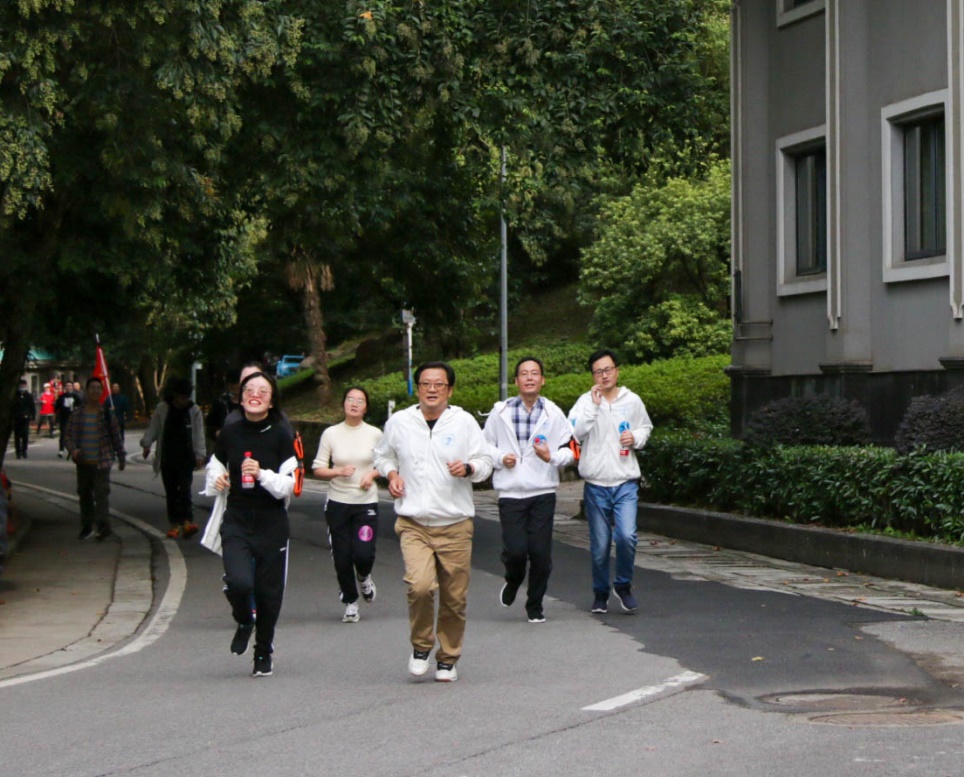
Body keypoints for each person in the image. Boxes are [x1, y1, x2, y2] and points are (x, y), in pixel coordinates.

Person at [373, 361, 492, 683]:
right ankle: (421, 645)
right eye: (426, 383)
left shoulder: (463, 422)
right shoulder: (400, 422)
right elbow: (382, 455)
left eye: (439, 384)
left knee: (454, 598)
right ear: (417, 388)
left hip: (455, 523)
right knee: (420, 586)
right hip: (414, 522)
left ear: (449, 390)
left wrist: (468, 468)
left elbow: (485, 461)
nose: (432, 390)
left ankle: (448, 658)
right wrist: (392, 474)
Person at [206, 370, 296, 678]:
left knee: (269, 593)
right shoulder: (230, 431)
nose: (255, 394)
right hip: (237, 519)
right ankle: (244, 619)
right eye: (249, 390)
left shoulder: (282, 434)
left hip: (272, 522)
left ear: (271, 401)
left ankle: (263, 651)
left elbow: (290, 485)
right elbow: (215, 465)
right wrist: (217, 478)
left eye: (262, 391)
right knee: (239, 582)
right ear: (241, 397)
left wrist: (261, 474)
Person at [483, 356, 573, 624]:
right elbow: (483, 445)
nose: (530, 377)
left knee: (540, 555)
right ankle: (513, 579)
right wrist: (501, 458)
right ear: (516, 381)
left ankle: (535, 605)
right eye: (524, 373)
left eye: (535, 373)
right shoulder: (500, 413)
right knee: (515, 551)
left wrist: (551, 457)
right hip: (510, 493)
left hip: (542, 492)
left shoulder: (554, 413)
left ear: (542, 380)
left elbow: (571, 449)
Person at [568, 349, 652, 615]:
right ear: (592, 375)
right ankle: (600, 593)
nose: (604, 375)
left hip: (625, 481)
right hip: (595, 484)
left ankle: (623, 585)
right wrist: (594, 408)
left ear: (617, 370)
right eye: (598, 372)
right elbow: (574, 433)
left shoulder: (632, 400)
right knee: (600, 545)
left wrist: (635, 438)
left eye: (608, 369)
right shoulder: (585, 401)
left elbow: (645, 427)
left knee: (627, 536)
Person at [312, 386, 382, 623]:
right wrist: (338, 471)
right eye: (350, 399)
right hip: (338, 504)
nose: (354, 404)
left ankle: (364, 576)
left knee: (363, 554)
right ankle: (350, 602)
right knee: (341, 557)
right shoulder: (331, 434)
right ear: (343, 404)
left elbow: (386, 463)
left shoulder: (375, 434)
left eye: (360, 401)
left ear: (366, 407)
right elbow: (318, 468)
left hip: (365, 503)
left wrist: (371, 475)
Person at [140, 378, 206, 539]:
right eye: (181, 398)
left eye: (186, 398)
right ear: (175, 395)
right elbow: (154, 427)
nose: (183, 401)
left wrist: (200, 454)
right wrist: (146, 444)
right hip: (168, 457)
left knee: (185, 489)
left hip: (186, 457)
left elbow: (199, 434)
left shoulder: (194, 410)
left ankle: (187, 522)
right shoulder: (163, 408)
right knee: (171, 492)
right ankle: (175, 524)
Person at [64, 377, 127, 540]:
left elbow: (116, 436)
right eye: (92, 388)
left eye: (99, 388)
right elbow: (68, 435)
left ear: (102, 392)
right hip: (83, 461)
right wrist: (73, 450)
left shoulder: (107, 413)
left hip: (102, 461)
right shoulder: (78, 413)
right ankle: (86, 526)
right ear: (86, 391)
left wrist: (121, 456)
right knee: (84, 494)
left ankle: (103, 526)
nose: (95, 391)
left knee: (101, 494)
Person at [55, 382, 81, 458]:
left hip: (74, 419)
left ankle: (73, 450)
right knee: (63, 434)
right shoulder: (61, 397)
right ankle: (61, 450)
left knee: (74, 435)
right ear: (65, 387)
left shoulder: (75, 397)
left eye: (70, 386)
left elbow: (81, 406)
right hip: (64, 418)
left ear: (72, 387)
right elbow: (57, 407)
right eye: (67, 386)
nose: (68, 387)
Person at [12, 380, 35, 459]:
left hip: (25, 418)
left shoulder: (29, 396)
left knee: (25, 435)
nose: (22, 387)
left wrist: (33, 416)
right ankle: (18, 452)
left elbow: (32, 406)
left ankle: (24, 450)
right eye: (21, 386)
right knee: (17, 436)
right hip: (17, 418)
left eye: (24, 386)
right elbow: (12, 407)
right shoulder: (15, 395)